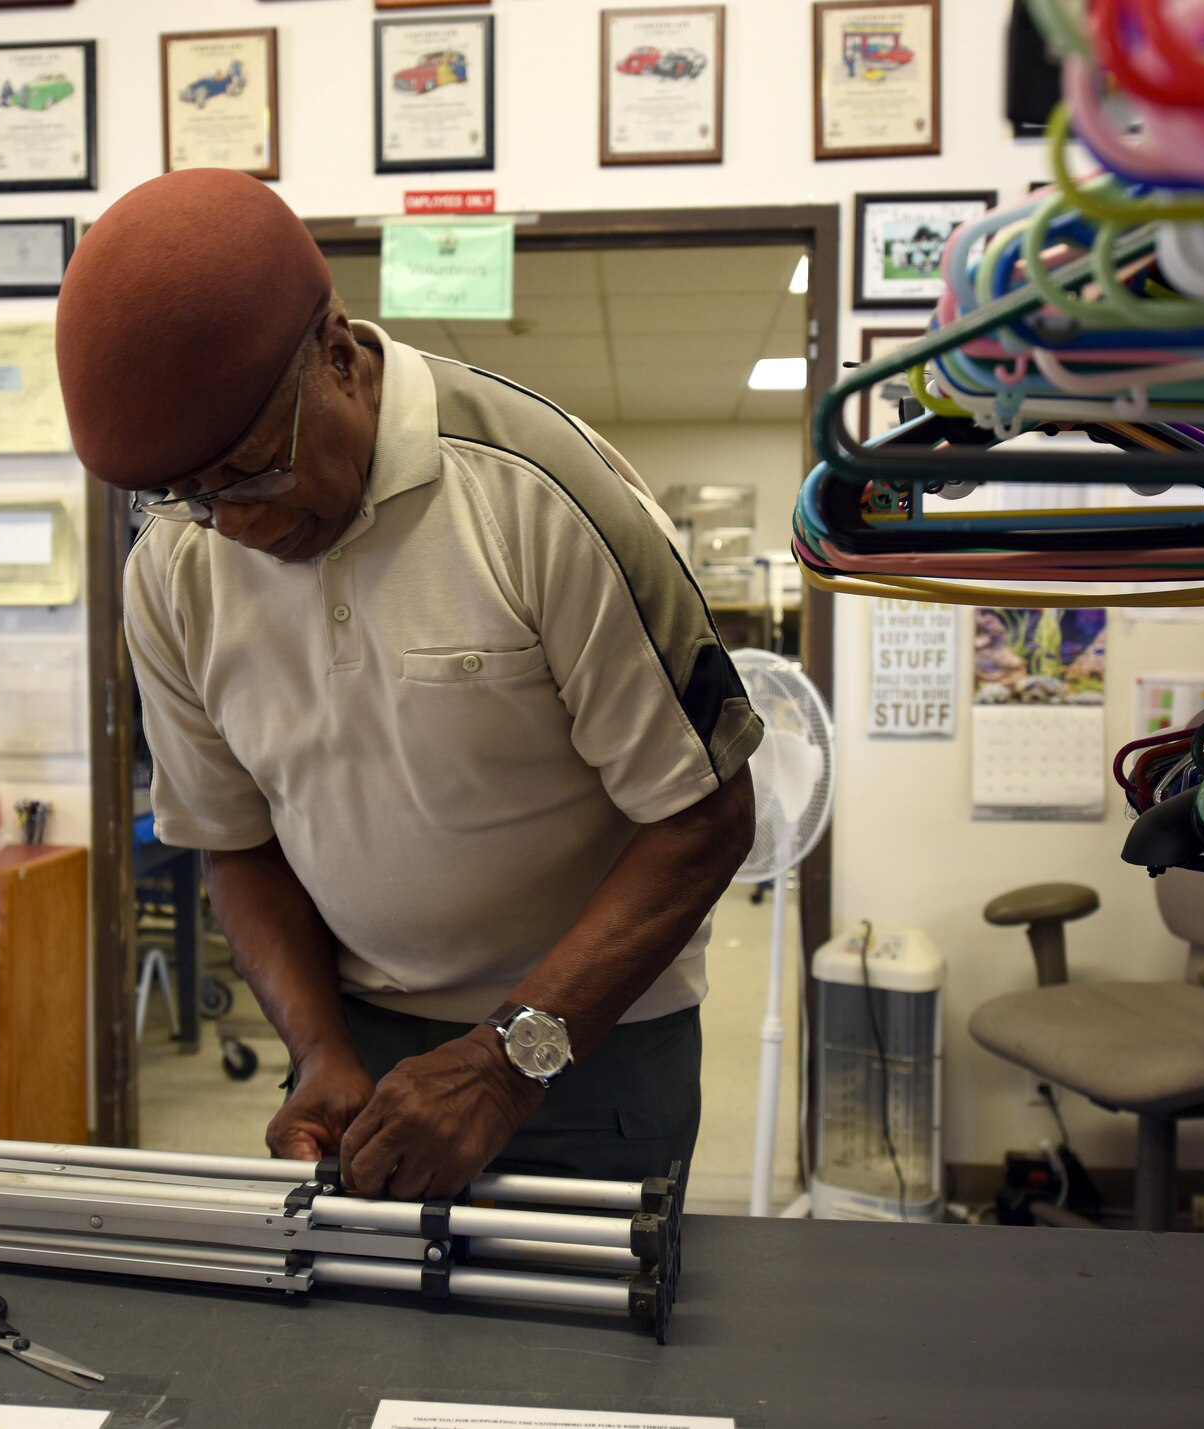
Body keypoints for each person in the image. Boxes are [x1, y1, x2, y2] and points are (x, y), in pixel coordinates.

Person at [57, 168, 758, 1200]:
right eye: (189, 496)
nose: (234, 524)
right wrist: (316, 1050)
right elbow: (233, 840)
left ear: (336, 356)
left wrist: (505, 1060)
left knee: (587, 1357)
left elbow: (707, 816)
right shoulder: (173, 565)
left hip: (594, 1041)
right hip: (363, 1037)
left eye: (250, 471)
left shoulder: (539, 497)